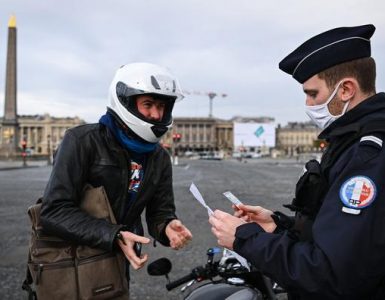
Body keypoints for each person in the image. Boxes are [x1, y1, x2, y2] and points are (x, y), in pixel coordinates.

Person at [209, 24, 385, 299]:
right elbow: (337, 233)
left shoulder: (368, 155)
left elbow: (331, 273)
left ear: (346, 89)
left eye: (312, 93)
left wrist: (246, 238)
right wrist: (279, 225)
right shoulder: (352, 139)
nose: (307, 103)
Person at [40, 63, 192, 283]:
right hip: (67, 262)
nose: (156, 115)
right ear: (125, 102)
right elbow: (54, 211)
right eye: (148, 104)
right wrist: (114, 234)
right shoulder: (82, 141)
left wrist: (168, 227)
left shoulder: (159, 157)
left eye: (162, 106)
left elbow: (160, 211)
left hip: (116, 263)